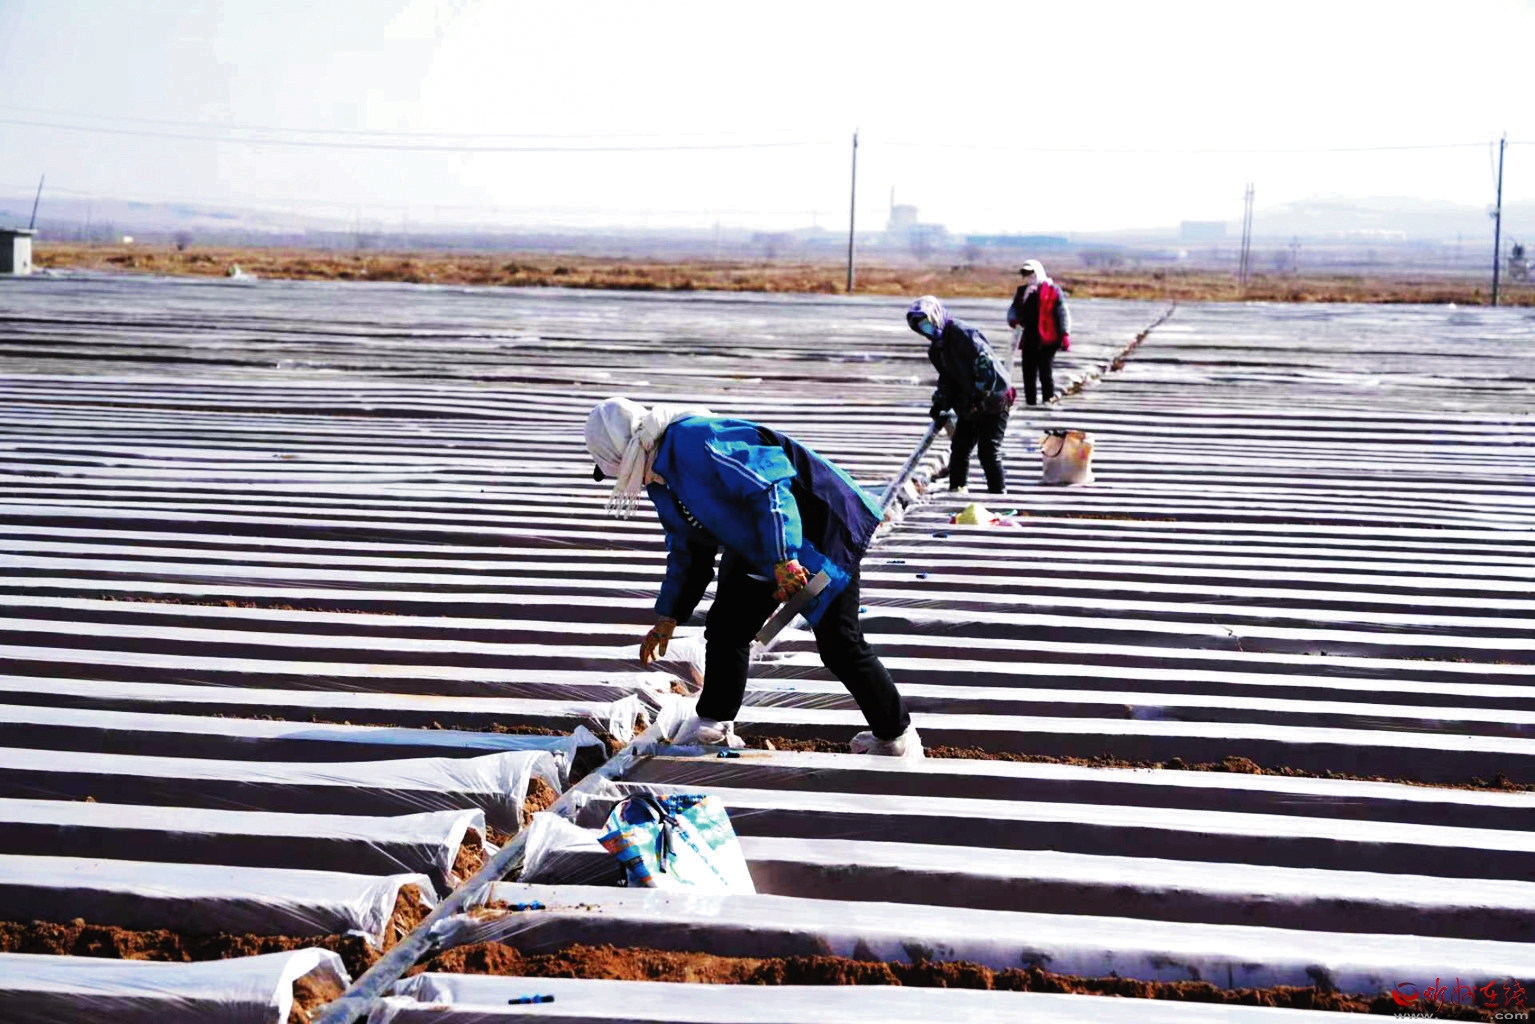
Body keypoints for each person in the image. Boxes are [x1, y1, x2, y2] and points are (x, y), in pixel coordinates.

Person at [584, 397, 921, 758]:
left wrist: (785, 557)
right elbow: (687, 548)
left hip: (818, 532)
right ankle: (712, 722)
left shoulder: (700, 439)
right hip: (754, 541)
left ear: (621, 452)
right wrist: (670, 615)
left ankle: (896, 735)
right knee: (727, 627)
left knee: (839, 643)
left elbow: (771, 488)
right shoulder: (660, 479)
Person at [906, 295, 1014, 494]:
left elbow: (986, 366)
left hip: (994, 399)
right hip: (968, 404)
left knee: (988, 452)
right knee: (959, 450)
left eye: (927, 322)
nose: (926, 329)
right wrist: (941, 402)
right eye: (921, 326)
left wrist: (980, 396)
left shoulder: (963, 334)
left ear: (935, 316)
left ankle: (999, 495)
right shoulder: (936, 350)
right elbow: (947, 378)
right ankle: (957, 490)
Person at [1006, 259, 1072, 406]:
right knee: (1028, 372)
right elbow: (1013, 310)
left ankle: (1048, 399)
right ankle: (1030, 402)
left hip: (1048, 338)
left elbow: (1062, 312)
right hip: (1029, 336)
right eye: (1026, 274)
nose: (1029, 277)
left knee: (1045, 370)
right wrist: (1015, 318)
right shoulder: (1022, 291)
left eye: (1032, 273)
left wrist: (1065, 333)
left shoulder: (1052, 290)